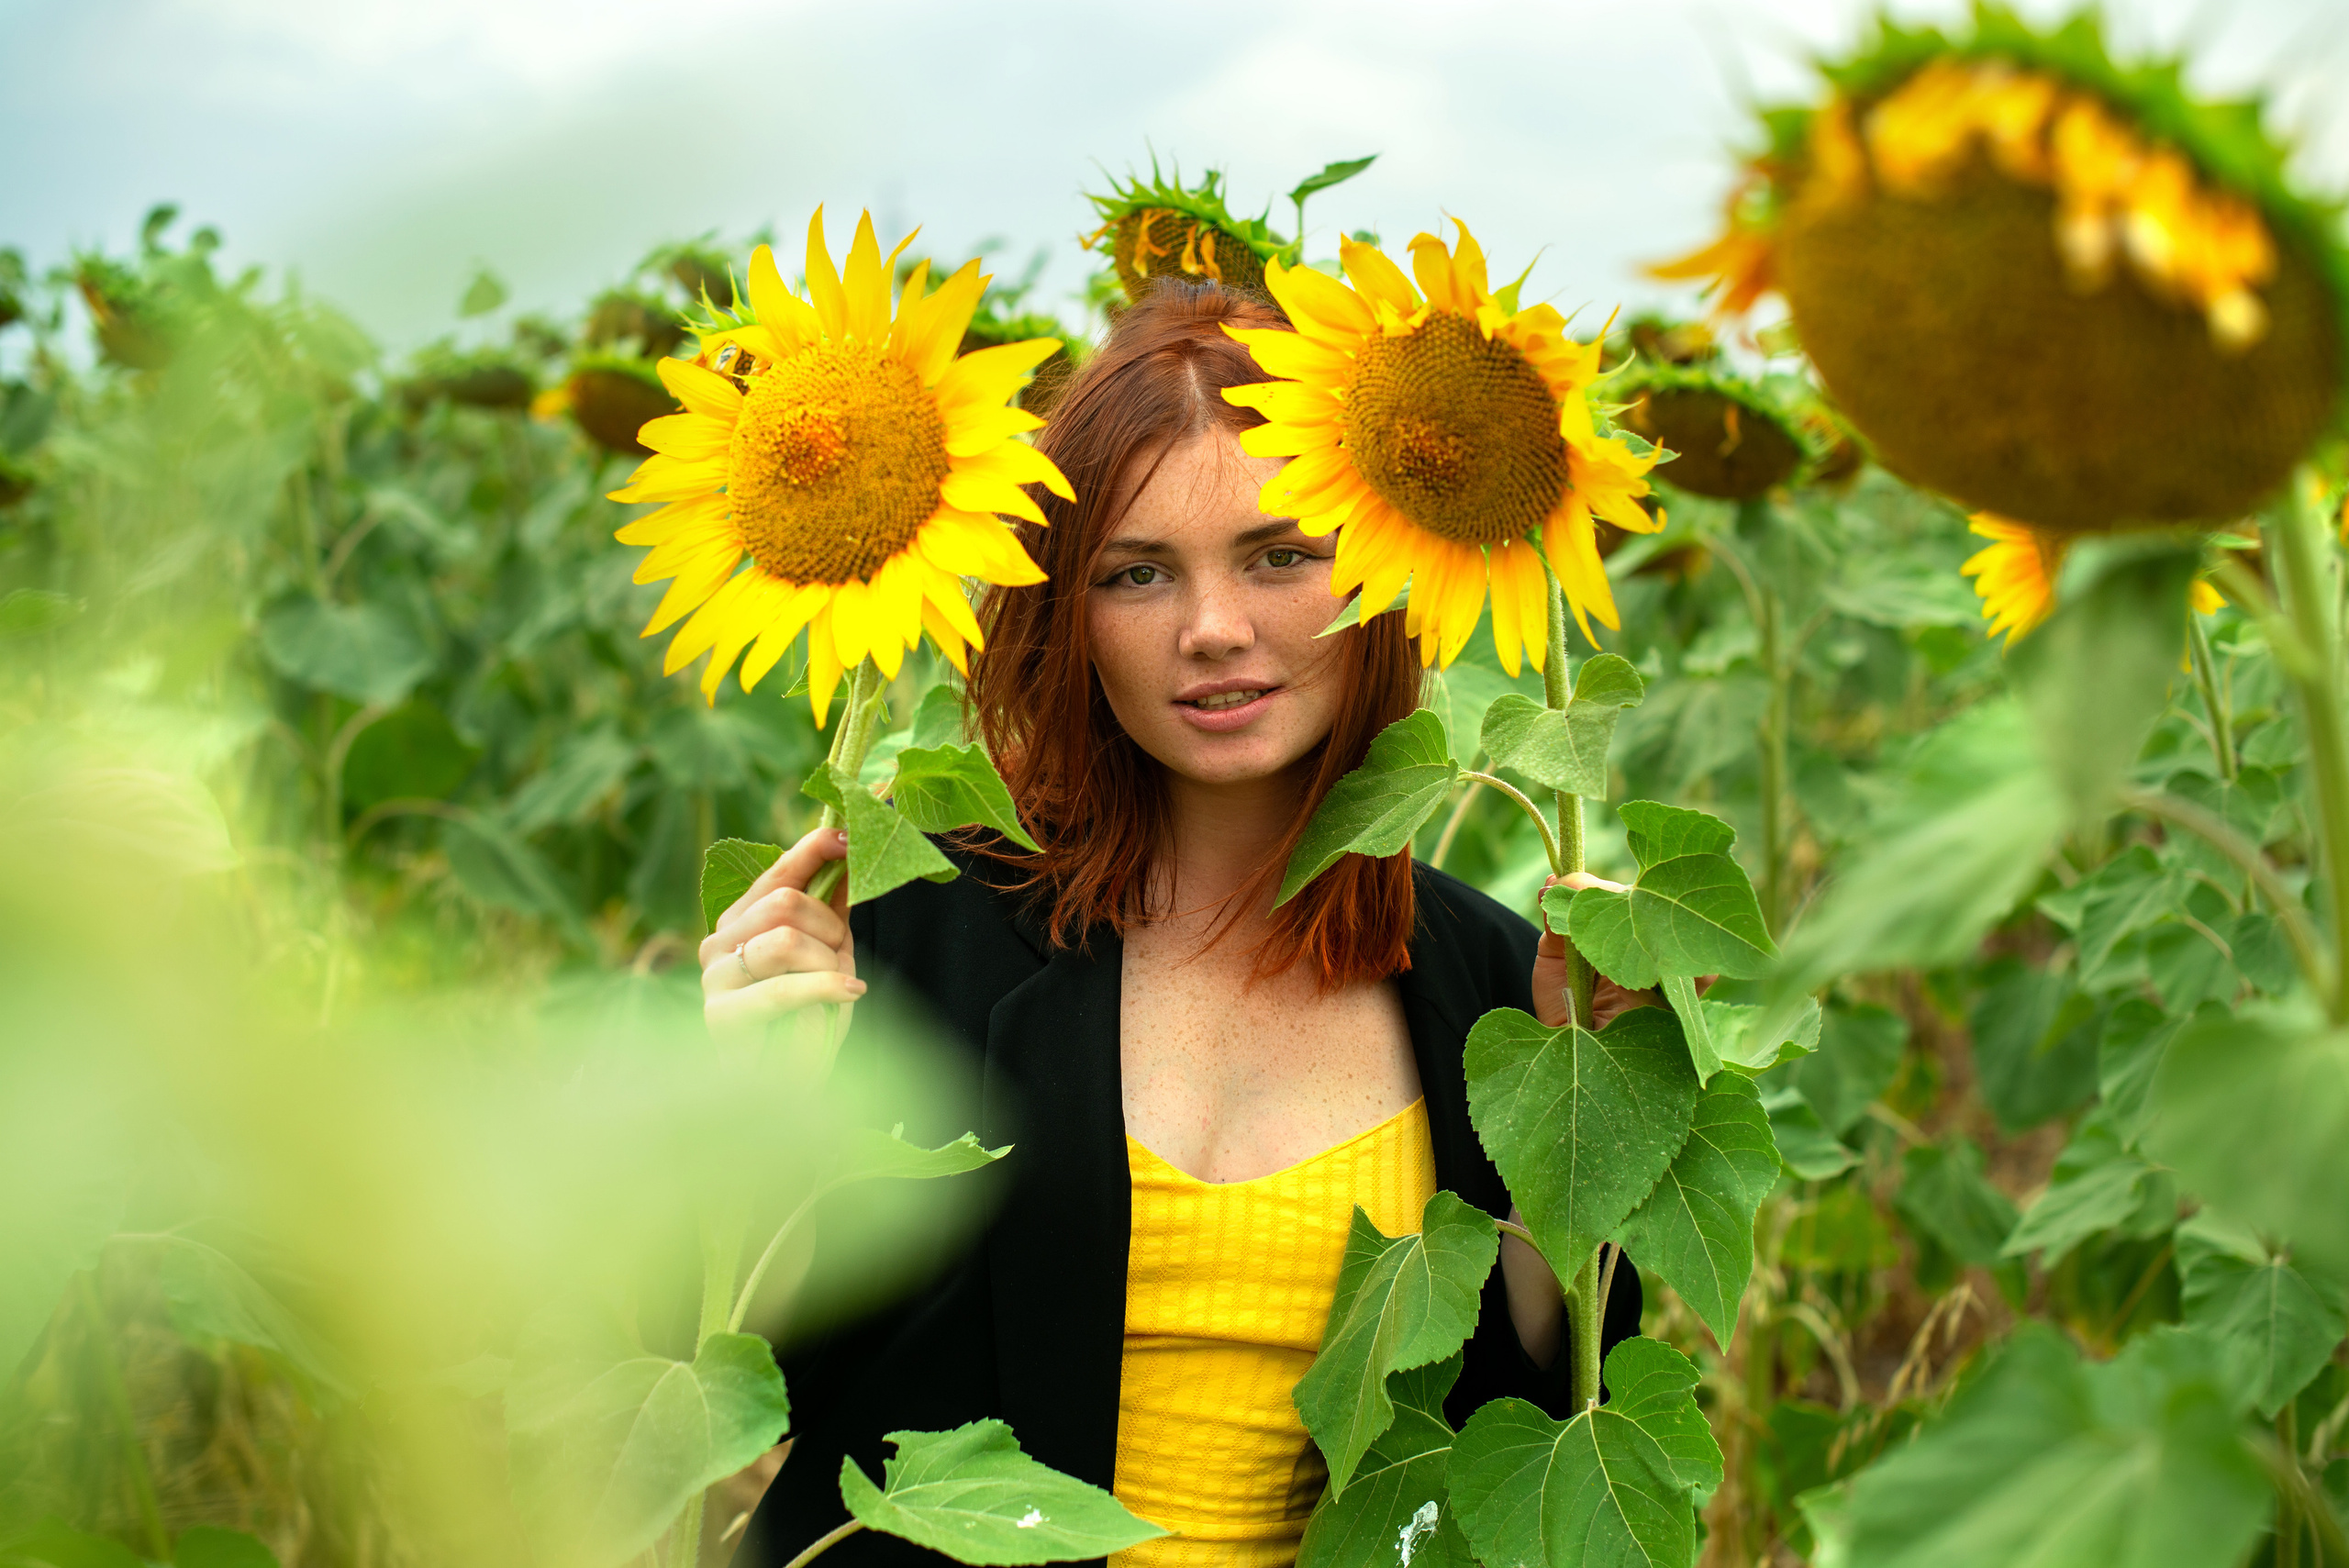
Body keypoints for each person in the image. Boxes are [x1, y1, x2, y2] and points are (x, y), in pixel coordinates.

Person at [705, 281, 1643, 1567]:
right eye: (1138, 573)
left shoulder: (1494, 987)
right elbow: (742, 1372)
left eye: (1278, 557)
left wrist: (1587, 1122)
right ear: (1066, 615)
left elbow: (1527, 1417)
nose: (1213, 631)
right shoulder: (913, 940)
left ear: (1381, 556)